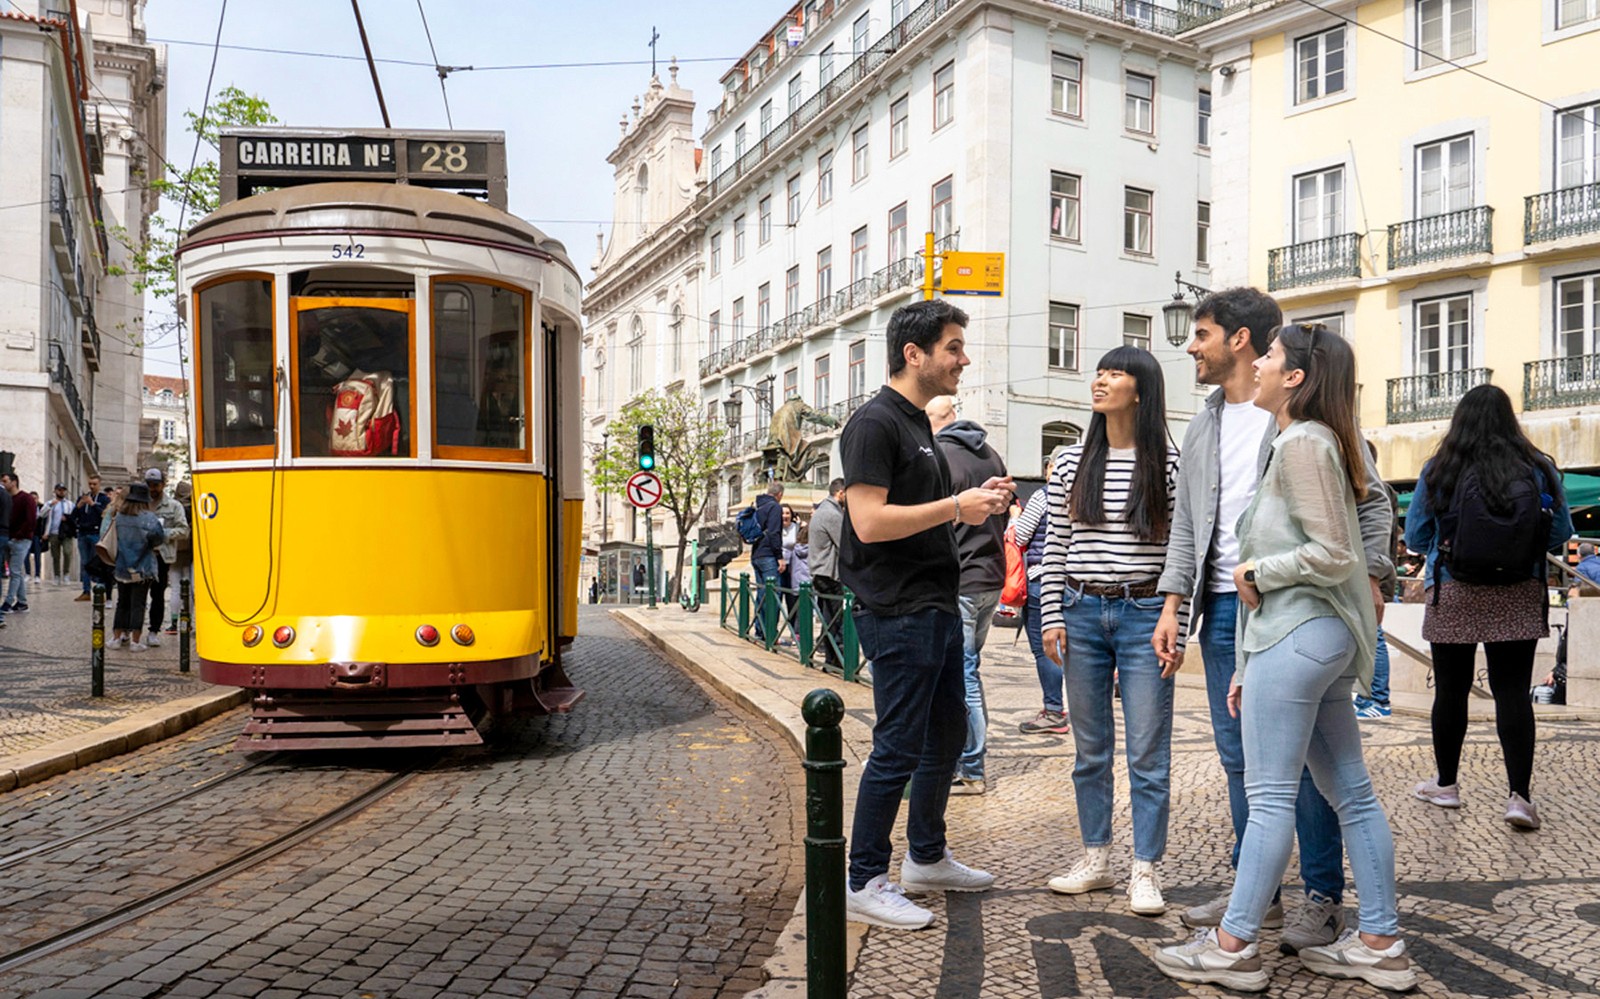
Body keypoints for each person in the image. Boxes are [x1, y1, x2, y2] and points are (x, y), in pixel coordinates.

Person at [1153, 323, 1416, 993]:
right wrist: (1249, 662)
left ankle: (1233, 945)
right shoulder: (1316, 439)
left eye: (1269, 356)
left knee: (1270, 797)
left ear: (1295, 376)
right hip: (1312, 638)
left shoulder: (1302, 442)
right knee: (1351, 792)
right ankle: (1380, 940)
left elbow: (1332, 551)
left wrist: (1256, 572)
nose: (1260, 366)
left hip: (1296, 632)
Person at [839, 298, 1011, 930]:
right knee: (898, 744)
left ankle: (927, 857)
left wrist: (975, 499)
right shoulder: (874, 423)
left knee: (946, 735)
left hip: (935, 603)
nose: (963, 359)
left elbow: (922, 511)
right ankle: (863, 879)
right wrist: (956, 507)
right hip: (898, 608)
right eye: (953, 348)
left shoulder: (918, 426)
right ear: (914, 354)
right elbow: (868, 521)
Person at [1039, 345, 1186, 917]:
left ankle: (1145, 868)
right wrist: (1052, 613)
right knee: (1090, 749)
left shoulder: (1168, 464)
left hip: (1145, 613)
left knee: (1148, 752)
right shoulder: (1071, 461)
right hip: (1081, 610)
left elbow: (1180, 550)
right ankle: (1096, 857)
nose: (1099, 381)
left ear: (1141, 391)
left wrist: (1176, 618)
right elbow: (1056, 544)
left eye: (1115, 373)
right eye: (1098, 372)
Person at [1405, 383, 1572, 830]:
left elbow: (1416, 537)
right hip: (1518, 591)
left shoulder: (1439, 468)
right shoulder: (1538, 468)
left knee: (1451, 690)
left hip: (1453, 590)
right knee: (1512, 692)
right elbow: (1560, 533)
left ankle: (1446, 785)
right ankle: (1519, 797)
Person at [929, 395, 1010, 795]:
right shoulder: (991, 455)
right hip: (990, 576)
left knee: (964, 674)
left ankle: (971, 768)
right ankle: (961, 760)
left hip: (959, 577)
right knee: (968, 668)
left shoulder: (939, 457)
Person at [1013, 483, 1071, 735]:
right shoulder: (1088, 490)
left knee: (1045, 649)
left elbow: (1020, 536)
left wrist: (1015, 518)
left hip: (1043, 579)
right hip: (1077, 583)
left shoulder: (1044, 495)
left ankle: (1054, 710)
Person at [109, 481, 165, 652]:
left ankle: (116, 638)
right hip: (143, 568)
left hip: (122, 566)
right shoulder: (149, 518)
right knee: (138, 604)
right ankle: (135, 641)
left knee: (122, 603)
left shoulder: (119, 517)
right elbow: (159, 538)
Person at [144, 469, 189, 646]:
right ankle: (132, 631)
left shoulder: (174, 506)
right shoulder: (140, 504)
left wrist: (163, 533)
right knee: (138, 595)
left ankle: (153, 631)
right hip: (141, 555)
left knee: (157, 595)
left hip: (161, 556)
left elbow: (184, 530)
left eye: (155, 485)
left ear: (163, 485)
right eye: (149, 484)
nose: (152, 488)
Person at [809, 478, 847, 670]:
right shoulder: (832, 514)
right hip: (829, 573)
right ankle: (838, 660)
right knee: (837, 618)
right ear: (840, 493)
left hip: (819, 572)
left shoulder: (822, 510)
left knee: (829, 617)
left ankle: (831, 661)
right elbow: (845, 545)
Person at [751, 481, 784, 640]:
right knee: (773, 594)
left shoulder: (758, 506)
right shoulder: (775, 507)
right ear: (779, 494)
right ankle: (770, 633)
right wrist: (779, 557)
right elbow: (774, 533)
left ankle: (760, 630)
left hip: (756, 555)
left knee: (762, 594)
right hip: (769, 556)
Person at [2, 471, 37, 612]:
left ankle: (8, 602)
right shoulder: (6, 499)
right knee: (17, 572)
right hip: (8, 538)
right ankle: (22, 602)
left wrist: (19, 535)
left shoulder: (26, 498)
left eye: (5, 481)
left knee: (15, 572)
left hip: (21, 540)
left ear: (14, 482)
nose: (3, 484)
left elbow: (31, 520)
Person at [165, 480, 195, 633]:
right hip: (192, 553)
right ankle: (188, 622)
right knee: (189, 589)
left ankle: (174, 623)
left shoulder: (173, 507)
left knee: (176, 588)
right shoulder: (195, 509)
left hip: (175, 552)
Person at [73, 476, 109, 601]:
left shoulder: (104, 499)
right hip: (83, 533)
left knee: (98, 562)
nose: (92, 486)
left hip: (96, 533)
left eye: (94, 484)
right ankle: (86, 591)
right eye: (90, 484)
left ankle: (100, 589)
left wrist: (93, 504)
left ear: (99, 484)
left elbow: (104, 514)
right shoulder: (82, 498)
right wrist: (78, 507)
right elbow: (73, 516)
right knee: (85, 563)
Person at [45, 484, 75, 585]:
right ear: (55, 491)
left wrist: (68, 519)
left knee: (67, 552)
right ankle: (56, 575)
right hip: (54, 532)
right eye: (59, 490)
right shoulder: (50, 503)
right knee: (55, 555)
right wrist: (50, 505)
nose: (61, 492)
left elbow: (74, 517)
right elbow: (42, 514)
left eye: (63, 490)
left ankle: (66, 573)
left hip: (66, 533)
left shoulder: (70, 504)